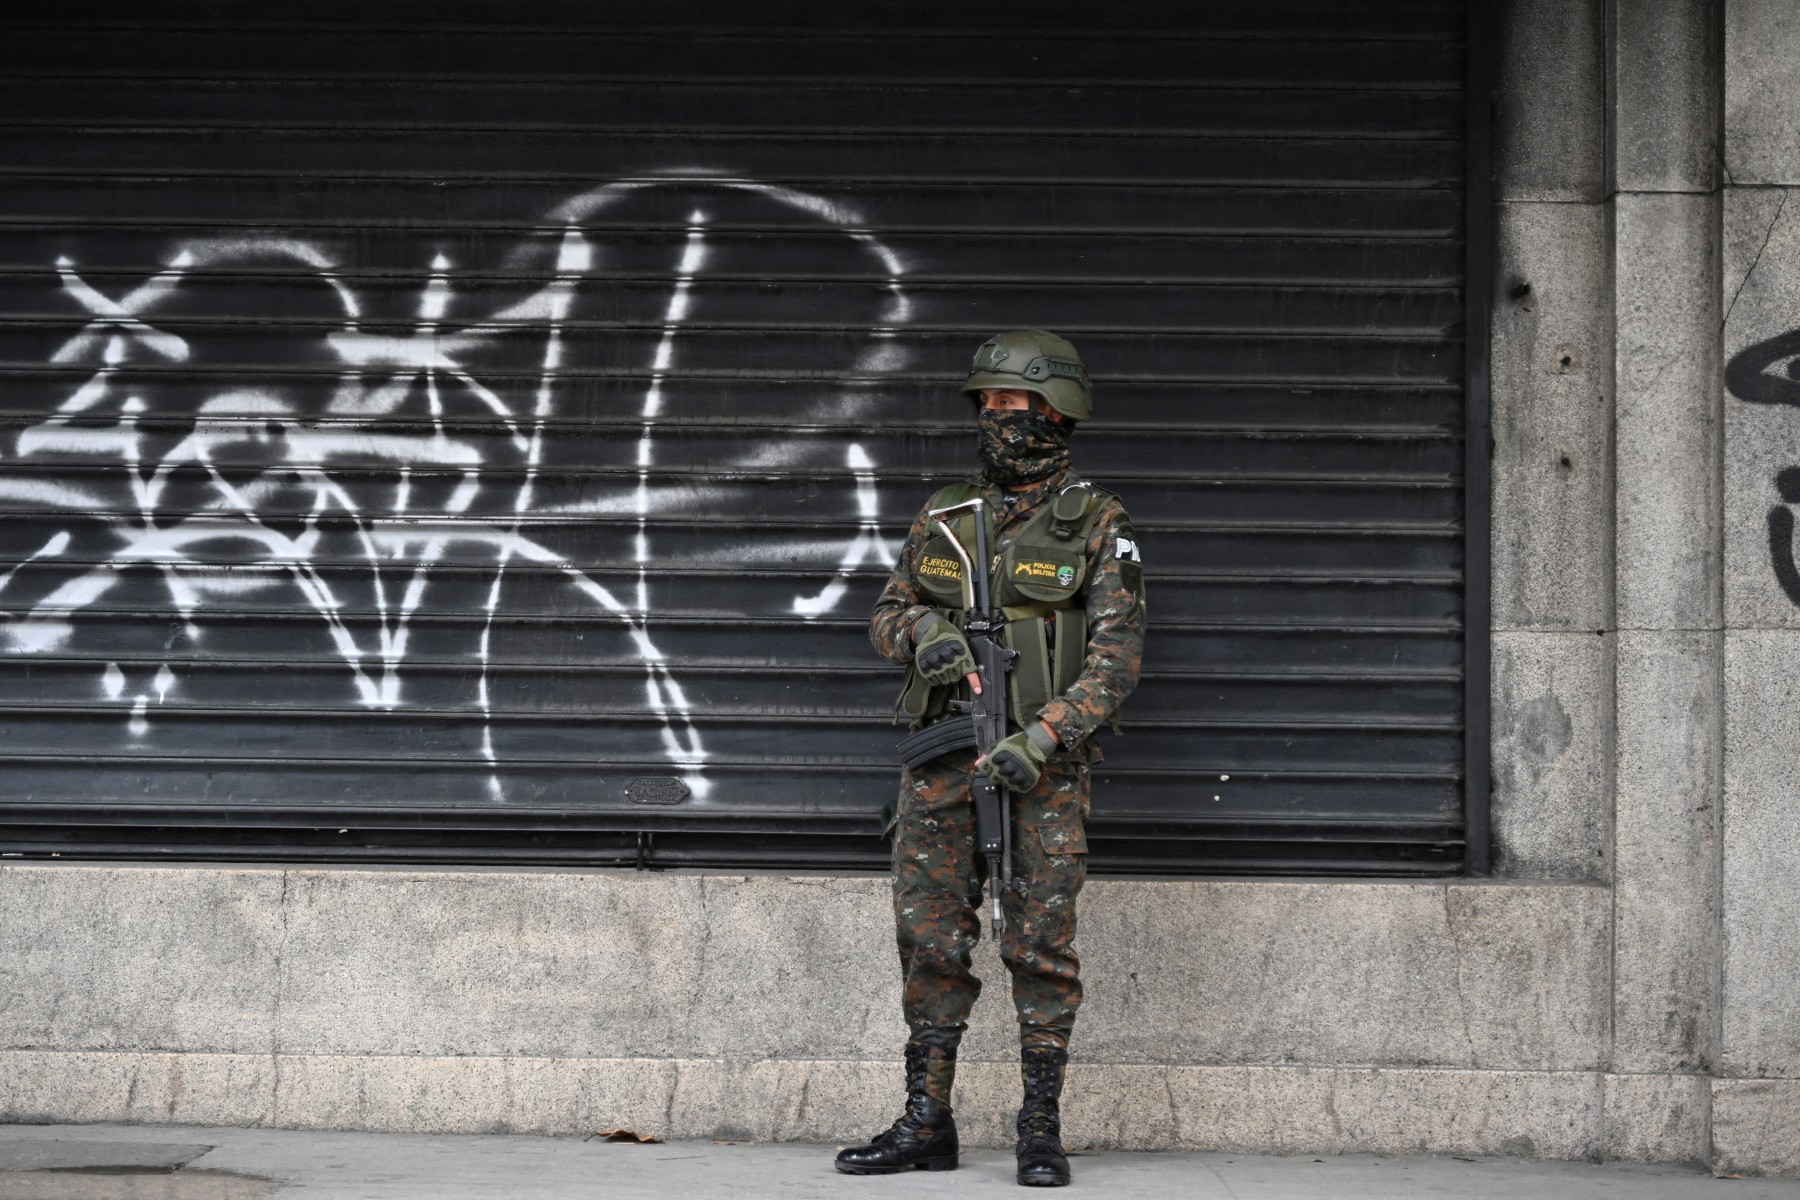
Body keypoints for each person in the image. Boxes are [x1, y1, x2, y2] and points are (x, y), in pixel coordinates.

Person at [835, 330, 1145, 1187]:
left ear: (1057, 413)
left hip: (1040, 773)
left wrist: (1041, 738)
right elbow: (886, 613)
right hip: (939, 769)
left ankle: (1039, 1127)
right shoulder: (944, 514)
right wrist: (924, 634)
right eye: (990, 405)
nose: (997, 420)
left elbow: (1117, 661)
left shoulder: (1098, 523)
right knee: (930, 940)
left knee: (1040, 946)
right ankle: (926, 1120)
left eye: (1014, 405)